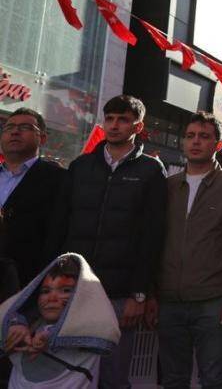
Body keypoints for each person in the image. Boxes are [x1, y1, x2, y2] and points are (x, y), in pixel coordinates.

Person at [47, 95, 167, 389]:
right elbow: (59, 225)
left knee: (113, 376)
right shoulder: (81, 166)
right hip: (72, 288)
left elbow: (152, 237)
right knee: (68, 374)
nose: (114, 125)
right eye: (110, 118)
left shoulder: (151, 172)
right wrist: (52, 278)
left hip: (120, 295)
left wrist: (139, 294)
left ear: (137, 126)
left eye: (123, 119)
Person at [155, 112, 222, 389]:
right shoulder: (168, 186)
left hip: (213, 300)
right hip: (169, 300)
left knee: (213, 378)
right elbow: (155, 240)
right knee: (172, 378)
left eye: (204, 137)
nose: (196, 142)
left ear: (218, 145)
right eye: (190, 136)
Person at [2, 253, 121, 388]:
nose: (52, 298)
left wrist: (53, 335)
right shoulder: (30, 326)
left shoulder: (91, 331)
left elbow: (107, 330)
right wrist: (14, 324)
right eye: (45, 291)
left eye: (65, 290)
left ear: (82, 296)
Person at [0, 109, 66, 286]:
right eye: (9, 127)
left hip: (27, 282)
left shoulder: (59, 179)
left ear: (42, 138)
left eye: (25, 127)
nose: (15, 131)